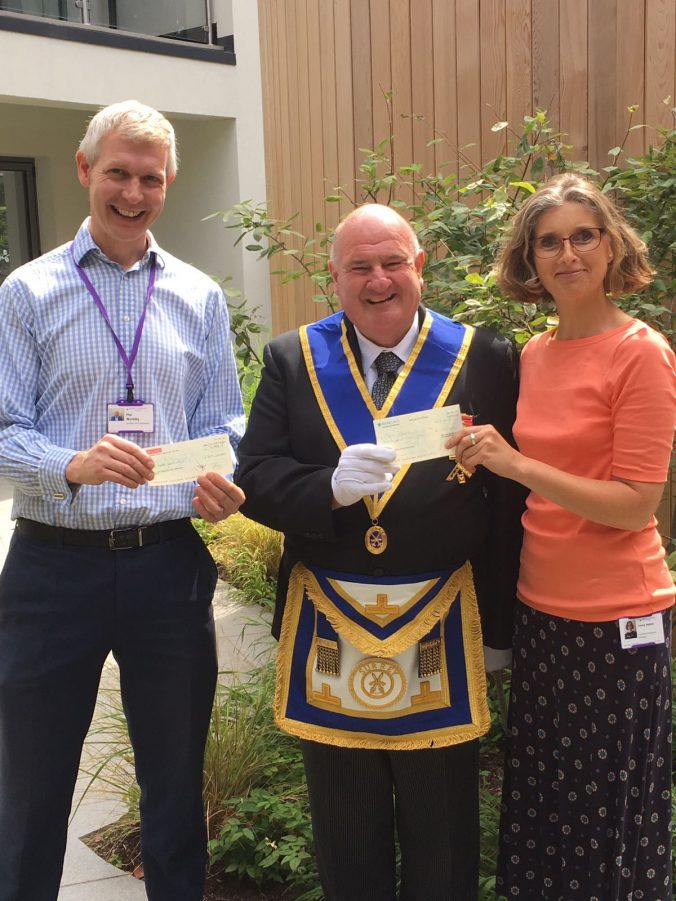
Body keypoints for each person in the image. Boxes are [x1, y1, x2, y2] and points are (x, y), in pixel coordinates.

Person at [234, 203, 525, 901]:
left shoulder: (484, 356)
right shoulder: (292, 359)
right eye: (359, 266)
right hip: (329, 623)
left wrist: (501, 630)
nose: (379, 280)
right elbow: (254, 478)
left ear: (420, 266)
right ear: (334, 277)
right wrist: (326, 490)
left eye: (393, 262)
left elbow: (508, 504)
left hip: (444, 624)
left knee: (444, 836)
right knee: (346, 832)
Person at [0, 100, 246, 901]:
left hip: (167, 566)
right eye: (118, 173)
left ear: (168, 181)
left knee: (174, 784)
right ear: (85, 169)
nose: (133, 194)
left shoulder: (199, 295)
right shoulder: (27, 292)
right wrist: (71, 463)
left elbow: (225, 420)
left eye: (150, 178)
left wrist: (222, 477)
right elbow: (4, 427)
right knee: (30, 786)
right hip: (51, 571)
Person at [447, 173, 675, 900]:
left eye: (583, 236)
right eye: (549, 242)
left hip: (619, 618)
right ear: (531, 258)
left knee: (607, 815)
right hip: (541, 610)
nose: (567, 253)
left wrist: (516, 462)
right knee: (548, 806)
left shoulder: (641, 352)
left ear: (611, 246)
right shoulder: (534, 354)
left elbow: (636, 505)